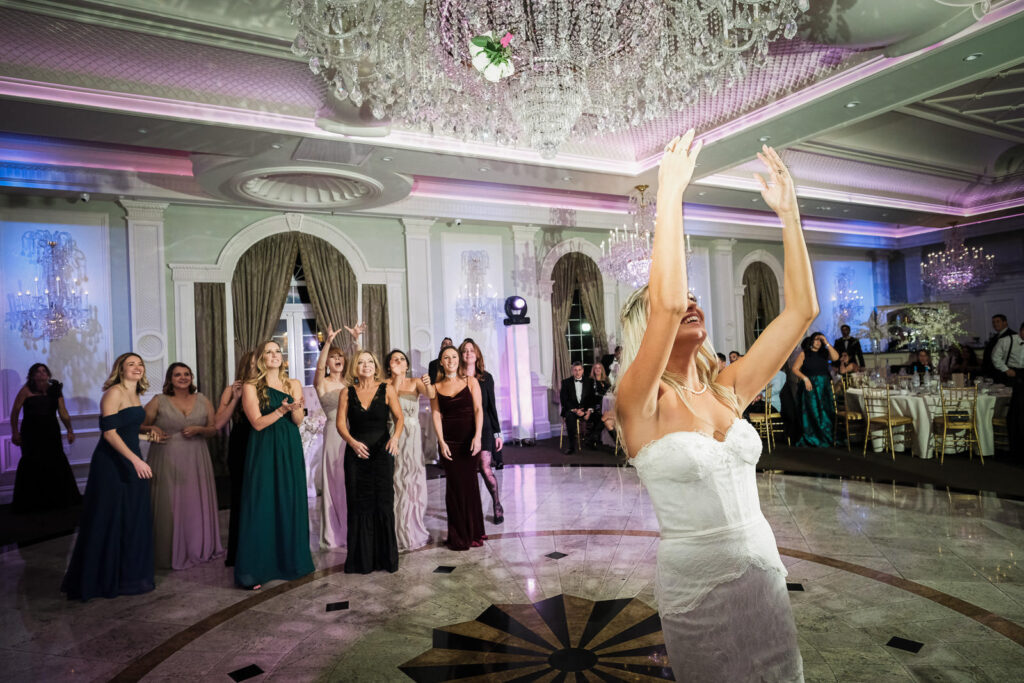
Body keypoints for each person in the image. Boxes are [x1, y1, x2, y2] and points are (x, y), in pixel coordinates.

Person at [617, 132, 811, 682]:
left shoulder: (727, 387)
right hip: (695, 585)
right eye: (680, 304)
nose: (690, 303)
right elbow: (669, 301)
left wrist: (790, 214)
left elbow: (800, 310)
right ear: (646, 327)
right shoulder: (639, 403)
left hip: (762, 569)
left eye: (696, 300)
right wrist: (671, 194)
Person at [62, 353, 165, 601]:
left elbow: (126, 433)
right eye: (131, 364)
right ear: (120, 369)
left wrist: (145, 438)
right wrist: (137, 460)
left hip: (129, 457)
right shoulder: (114, 393)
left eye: (140, 364)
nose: (137, 367)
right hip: (111, 465)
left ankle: (126, 575)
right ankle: (99, 578)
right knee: (108, 517)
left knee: (130, 516)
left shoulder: (136, 394)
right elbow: (109, 434)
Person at [234, 340, 314, 590]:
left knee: (289, 501)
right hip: (264, 447)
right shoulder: (251, 386)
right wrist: (280, 411)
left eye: (277, 351)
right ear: (260, 358)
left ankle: (292, 562)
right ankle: (254, 570)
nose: (274, 355)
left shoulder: (294, 383)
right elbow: (256, 423)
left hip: (289, 446)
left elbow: (298, 420)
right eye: (268, 352)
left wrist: (296, 408)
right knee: (262, 503)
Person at [143, 362, 223, 570]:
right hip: (167, 458)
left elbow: (213, 429)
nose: (183, 377)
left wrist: (199, 429)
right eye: (178, 375)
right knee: (169, 505)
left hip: (197, 458)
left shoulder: (202, 399)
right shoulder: (158, 401)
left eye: (187, 374)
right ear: (170, 379)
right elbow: (139, 427)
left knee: (194, 504)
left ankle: (198, 546)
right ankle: (167, 550)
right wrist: (152, 428)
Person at [337, 350, 404, 573]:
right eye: (361, 362)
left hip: (382, 454)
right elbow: (340, 424)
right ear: (355, 367)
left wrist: (395, 437)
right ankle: (361, 561)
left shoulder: (387, 389)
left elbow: (399, 418)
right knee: (358, 504)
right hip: (355, 457)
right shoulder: (346, 393)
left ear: (376, 367)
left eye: (370, 362)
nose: (366, 365)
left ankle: (386, 559)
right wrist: (352, 443)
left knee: (383, 503)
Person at [428, 345, 486, 550]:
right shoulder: (435, 387)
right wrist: (441, 441)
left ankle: (474, 532)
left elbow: (479, 410)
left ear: (458, 360)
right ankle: (457, 534)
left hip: (469, 440)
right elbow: (436, 415)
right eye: (447, 357)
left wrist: (478, 437)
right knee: (453, 488)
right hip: (449, 442)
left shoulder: (471, 381)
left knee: (469, 486)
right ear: (441, 362)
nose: (451, 360)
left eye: (454, 356)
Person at [9, 363, 82, 513]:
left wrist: (70, 430)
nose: (41, 374)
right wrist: (15, 432)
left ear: (48, 374)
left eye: (44, 371)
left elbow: (63, 412)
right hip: (31, 432)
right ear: (32, 375)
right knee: (32, 463)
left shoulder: (55, 390)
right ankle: (33, 502)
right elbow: (15, 412)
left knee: (55, 462)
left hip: (50, 431)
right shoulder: (26, 390)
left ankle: (56, 500)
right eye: (38, 371)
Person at [314, 323, 362, 550]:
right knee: (334, 481)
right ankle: (334, 532)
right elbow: (320, 366)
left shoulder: (350, 383)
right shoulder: (322, 384)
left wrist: (356, 341)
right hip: (334, 434)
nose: (337, 359)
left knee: (351, 482)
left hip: (353, 433)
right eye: (334, 357)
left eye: (340, 357)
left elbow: (364, 365)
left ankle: (353, 529)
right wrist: (328, 344)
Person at [385, 348, 431, 551]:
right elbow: (390, 400)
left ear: (407, 364)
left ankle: (413, 526)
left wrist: (429, 384)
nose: (398, 361)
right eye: (394, 359)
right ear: (389, 365)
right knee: (396, 479)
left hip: (412, 436)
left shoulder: (415, 382)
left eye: (402, 359)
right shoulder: (386, 385)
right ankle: (396, 530)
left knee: (412, 477)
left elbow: (431, 395)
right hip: (394, 433)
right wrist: (395, 378)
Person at [214, 350, 255, 567]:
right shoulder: (232, 390)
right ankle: (239, 552)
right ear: (245, 366)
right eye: (255, 364)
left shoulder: (269, 387)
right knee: (241, 498)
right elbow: (218, 423)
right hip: (241, 446)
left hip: (264, 445)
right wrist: (236, 398)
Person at [459, 338, 504, 523]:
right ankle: (470, 511)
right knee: (467, 471)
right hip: (463, 428)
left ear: (477, 354)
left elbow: (491, 407)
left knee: (485, 469)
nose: (469, 353)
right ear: (461, 356)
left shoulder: (486, 377)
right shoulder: (456, 378)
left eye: (472, 350)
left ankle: (496, 504)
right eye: (465, 350)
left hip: (484, 427)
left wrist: (497, 433)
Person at [793, 332, 839, 448]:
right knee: (812, 412)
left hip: (824, 386)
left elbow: (836, 357)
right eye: (816, 340)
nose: (818, 342)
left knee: (826, 412)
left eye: (820, 340)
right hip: (810, 387)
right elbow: (795, 369)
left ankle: (826, 436)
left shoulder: (824, 353)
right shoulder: (805, 354)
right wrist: (805, 378)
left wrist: (826, 342)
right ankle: (813, 437)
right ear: (811, 341)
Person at [993, 322, 1024, 456]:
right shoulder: (1006, 341)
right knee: (1017, 409)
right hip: (1013, 374)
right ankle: (1016, 445)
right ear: (1021, 331)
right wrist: (1006, 370)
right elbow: (995, 357)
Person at [559, 360, 597, 454]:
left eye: (579, 370)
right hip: (572, 410)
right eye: (575, 370)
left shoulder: (589, 382)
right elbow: (564, 400)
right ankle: (571, 447)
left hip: (585, 410)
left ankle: (591, 440)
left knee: (600, 418)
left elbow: (592, 399)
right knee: (569, 417)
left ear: (583, 370)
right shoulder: (566, 382)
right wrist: (575, 410)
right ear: (572, 371)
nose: (577, 372)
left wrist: (588, 411)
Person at [983, 314, 1013, 384]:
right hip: (994, 373)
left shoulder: (1011, 335)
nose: (995, 324)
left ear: (1005, 322)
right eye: (993, 322)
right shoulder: (996, 336)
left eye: (997, 321)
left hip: (1004, 374)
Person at [588, 363, 612, 447]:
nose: (598, 370)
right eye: (596, 368)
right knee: (604, 417)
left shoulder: (606, 380)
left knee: (609, 415)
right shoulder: (591, 381)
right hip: (595, 407)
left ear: (602, 370)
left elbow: (610, 391)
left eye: (599, 368)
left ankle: (592, 438)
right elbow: (591, 396)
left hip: (606, 406)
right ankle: (593, 438)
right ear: (593, 370)